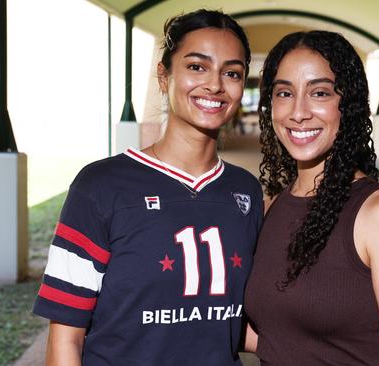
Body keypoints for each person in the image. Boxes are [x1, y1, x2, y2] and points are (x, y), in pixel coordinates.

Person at [32, 9, 263, 365]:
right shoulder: (100, 186)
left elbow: (231, 321)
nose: (215, 84)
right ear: (163, 75)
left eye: (231, 72)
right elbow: (66, 339)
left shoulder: (245, 191)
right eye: (197, 67)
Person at [244, 31, 379, 365]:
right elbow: (279, 337)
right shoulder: (271, 206)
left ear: (349, 105)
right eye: (284, 92)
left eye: (320, 93)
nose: (298, 112)